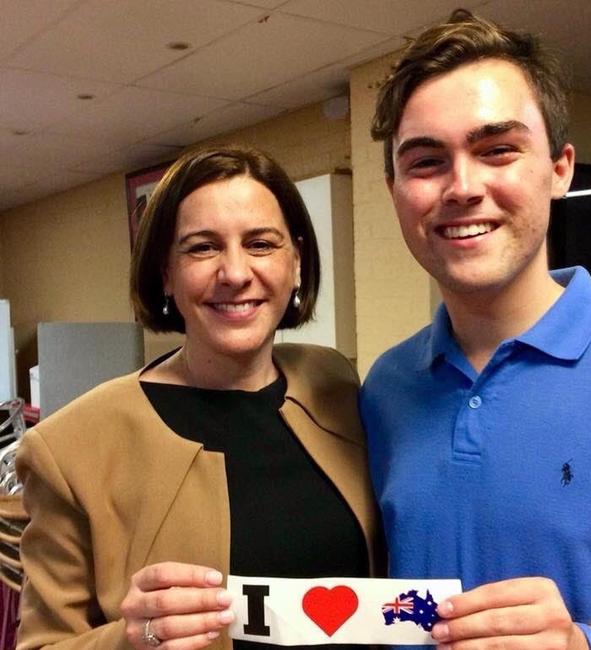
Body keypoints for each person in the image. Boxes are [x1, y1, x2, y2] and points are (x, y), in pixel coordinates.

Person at [360, 9, 591, 650]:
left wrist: (589, 646)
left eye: (497, 150)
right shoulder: (384, 389)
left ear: (560, 169)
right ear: (396, 190)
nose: (463, 187)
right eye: (427, 162)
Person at [16, 144, 382, 650]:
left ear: (296, 262)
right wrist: (130, 641)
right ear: (166, 272)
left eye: (260, 244)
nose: (234, 273)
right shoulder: (71, 449)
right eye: (202, 247)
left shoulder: (334, 384)